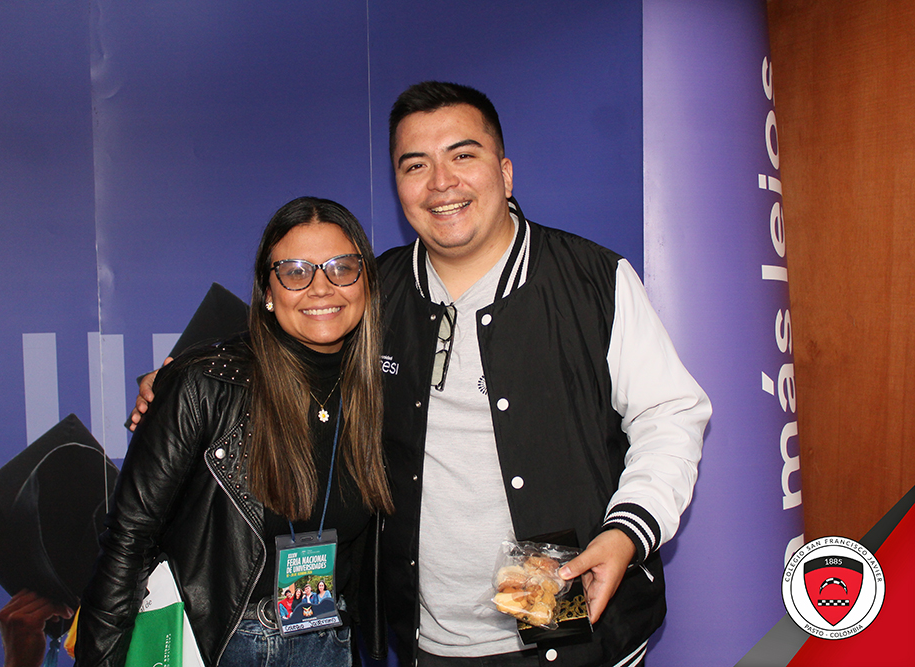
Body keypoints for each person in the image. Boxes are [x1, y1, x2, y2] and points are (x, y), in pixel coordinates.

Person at [129, 83, 710, 667]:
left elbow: (669, 417)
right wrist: (187, 375)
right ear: (398, 186)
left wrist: (627, 532)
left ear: (505, 173)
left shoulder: (593, 282)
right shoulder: (376, 292)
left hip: (575, 629)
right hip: (425, 642)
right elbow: (293, 333)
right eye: (416, 165)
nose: (441, 182)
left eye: (463, 155)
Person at [76, 197, 393, 667]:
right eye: (295, 272)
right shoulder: (205, 383)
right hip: (221, 644)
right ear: (268, 291)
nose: (321, 288)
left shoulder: (379, 389)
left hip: (330, 637)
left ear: (366, 283)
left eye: (341, 268)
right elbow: (129, 538)